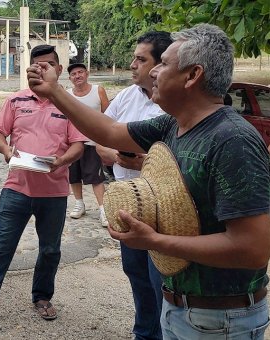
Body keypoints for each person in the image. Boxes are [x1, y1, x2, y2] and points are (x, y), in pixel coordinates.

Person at [28, 23, 270, 339]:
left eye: (164, 63)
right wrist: (55, 91)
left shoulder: (231, 140)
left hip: (221, 319)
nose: (154, 72)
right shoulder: (176, 124)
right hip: (183, 309)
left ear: (192, 75)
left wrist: (154, 241)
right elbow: (110, 132)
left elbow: (252, 249)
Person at [0, 44, 85, 327]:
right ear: (30, 69)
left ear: (59, 70)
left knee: (50, 249)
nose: (42, 69)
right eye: (37, 65)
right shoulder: (16, 100)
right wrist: (7, 152)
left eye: (48, 65)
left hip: (54, 192)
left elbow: (78, 146)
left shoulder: (69, 106)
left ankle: (42, 297)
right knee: (0, 247)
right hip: (16, 189)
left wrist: (60, 161)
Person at [89, 31, 172, 340]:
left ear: (160, 65)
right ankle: (144, 333)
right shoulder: (128, 95)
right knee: (136, 273)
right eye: (134, 57)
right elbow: (101, 139)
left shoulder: (172, 106)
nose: (133, 64)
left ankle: (166, 334)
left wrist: (140, 162)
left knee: (160, 278)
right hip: (127, 203)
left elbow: (172, 159)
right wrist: (118, 156)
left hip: (164, 207)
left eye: (141, 58)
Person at [65, 62, 109, 226]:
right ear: (70, 78)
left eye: (80, 72)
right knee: (73, 175)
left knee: (96, 177)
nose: (77, 76)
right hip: (73, 142)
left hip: (93, 142)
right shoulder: (67, 94)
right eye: (74, 74)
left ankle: (103, 209)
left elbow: (108, 115)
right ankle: (79, 204)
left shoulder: (99, 90)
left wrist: (106, 141)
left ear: (87, 73)